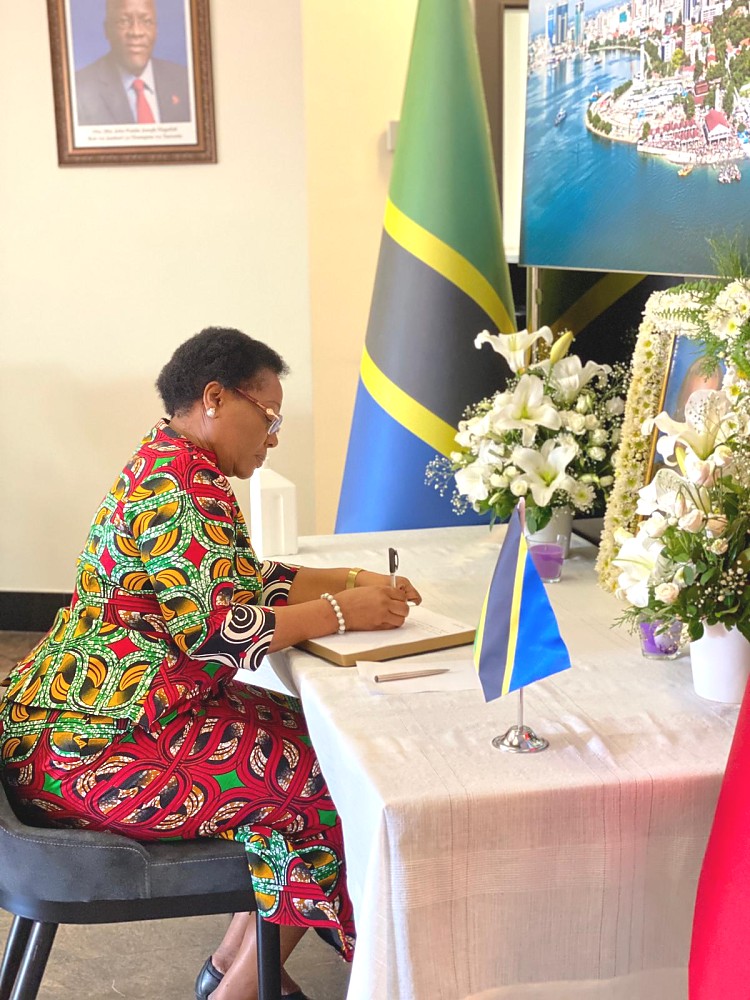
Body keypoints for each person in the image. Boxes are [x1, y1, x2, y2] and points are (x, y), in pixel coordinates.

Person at [0, 327, 421, 1000]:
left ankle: (234, 964)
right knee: (333, 780)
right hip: (100, 747)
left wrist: (344, 578)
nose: (274, 435)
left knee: (323, 742)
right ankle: (241, 988)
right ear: (217, 398)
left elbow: (231, 582)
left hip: (85, 719)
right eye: (270, 416)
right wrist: (347, 611)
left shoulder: (167, 460)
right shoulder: (183, 485)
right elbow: (226, 633)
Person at [75, 0, 190, 126]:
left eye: (146, 21)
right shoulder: (79, 90)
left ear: (156, 29)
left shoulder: (185, 81)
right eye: (124, 21)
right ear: (107, 30)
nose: (136, 32)